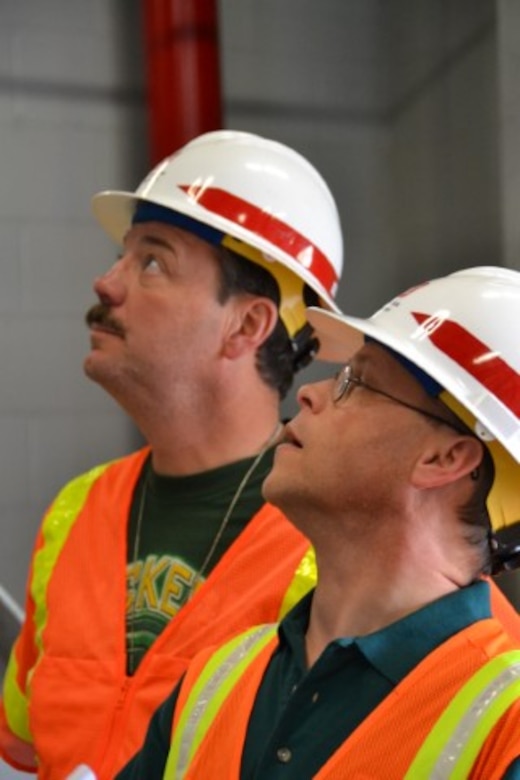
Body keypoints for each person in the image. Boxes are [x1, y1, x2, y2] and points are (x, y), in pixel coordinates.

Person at [0, 130, 346, 779]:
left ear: (246, 326)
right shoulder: (77, 510)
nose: (106, 283)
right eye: (121, 258)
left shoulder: (335, 540)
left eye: (151, 263)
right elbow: (20, 750)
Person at [117, 266, 520, 779]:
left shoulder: (505, 727)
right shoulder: (218, 679)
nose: (311, 394)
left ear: (444, 459)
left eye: (358, 381)